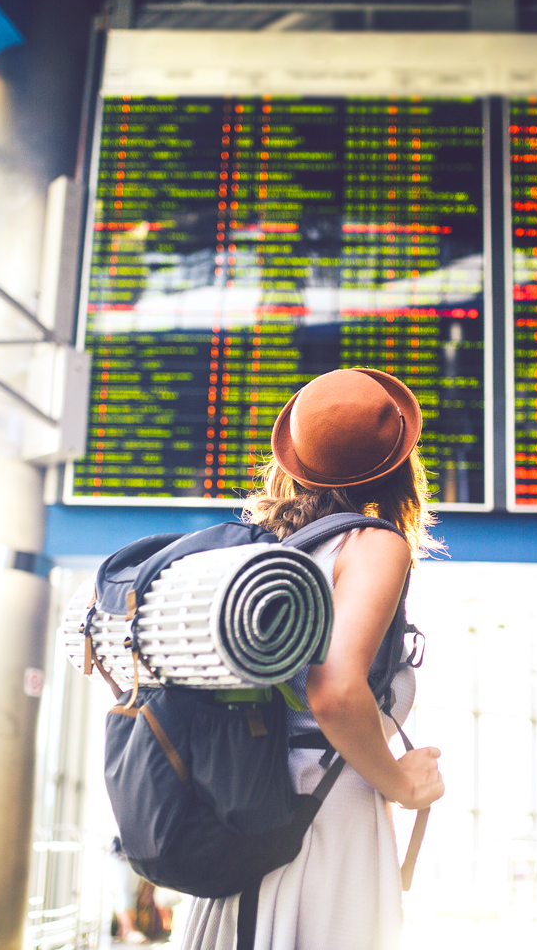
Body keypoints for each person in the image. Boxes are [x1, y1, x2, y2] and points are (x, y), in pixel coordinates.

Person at [181, 367, 446, 950]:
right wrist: (400, 782)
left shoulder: (263, 551)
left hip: (246, 811)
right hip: (321, 822)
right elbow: (334, 690)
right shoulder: (374, 544)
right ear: (400, 462)